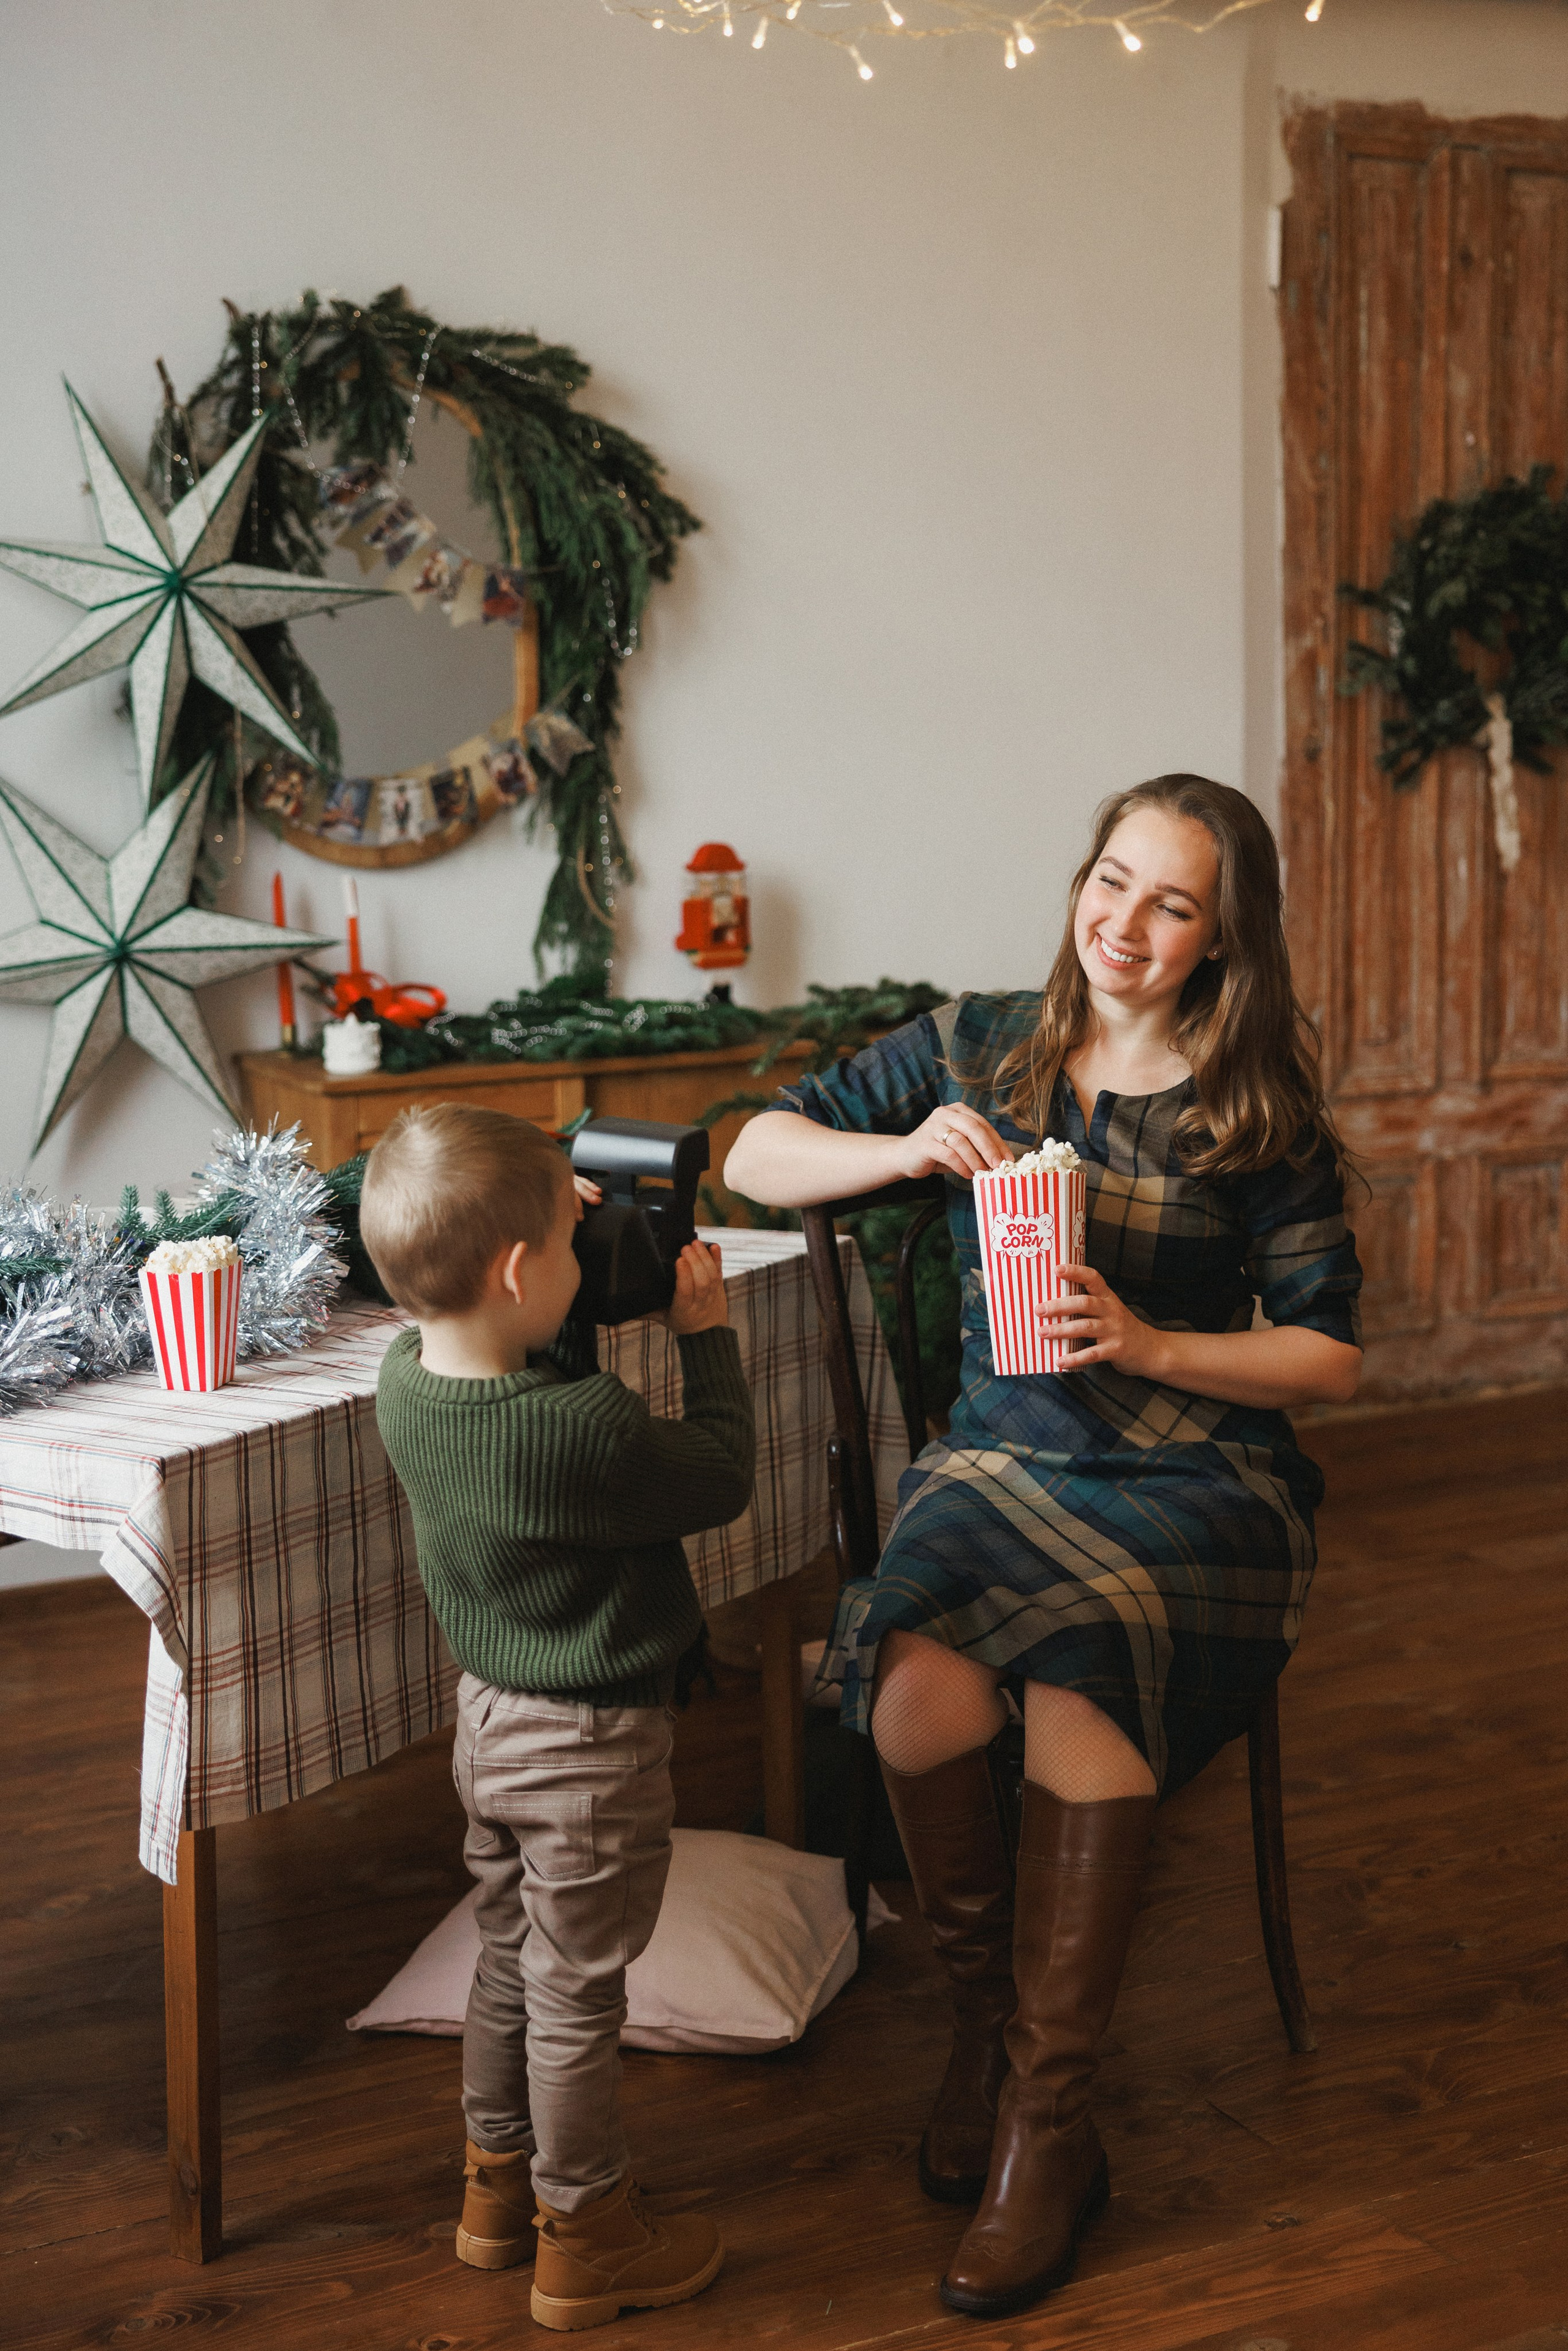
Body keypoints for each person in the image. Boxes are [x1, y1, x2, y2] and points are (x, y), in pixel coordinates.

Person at [725, 774, 1363, 2320]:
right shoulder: (977, 1043)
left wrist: (1149, 1336)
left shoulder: (1251, 1098)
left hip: (1197, 1473)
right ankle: (986, 2024)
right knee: (911, 1697)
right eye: (1111, 878)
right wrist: (895, 1153)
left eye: (1171, 902)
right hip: (1002, 1451)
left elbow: (1328, 1355)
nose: (1124, 922)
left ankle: (1045, 2122)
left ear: (1221, 938)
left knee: (1080, 1677)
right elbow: (749, 1153)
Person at [363, 1103, 755, 2333]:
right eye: (569, 1253)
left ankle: (493, 2192)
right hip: (588, 1741)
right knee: (579, 1989)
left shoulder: (402, 1380)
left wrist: (535, 1226)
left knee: (507, 1956)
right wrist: (705, 1339)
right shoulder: (579, 1425)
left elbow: (524, 1379)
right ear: (521, 1271)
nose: (588, 1270)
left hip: (487, 1719)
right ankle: (585, 2233)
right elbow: (718, 1472)